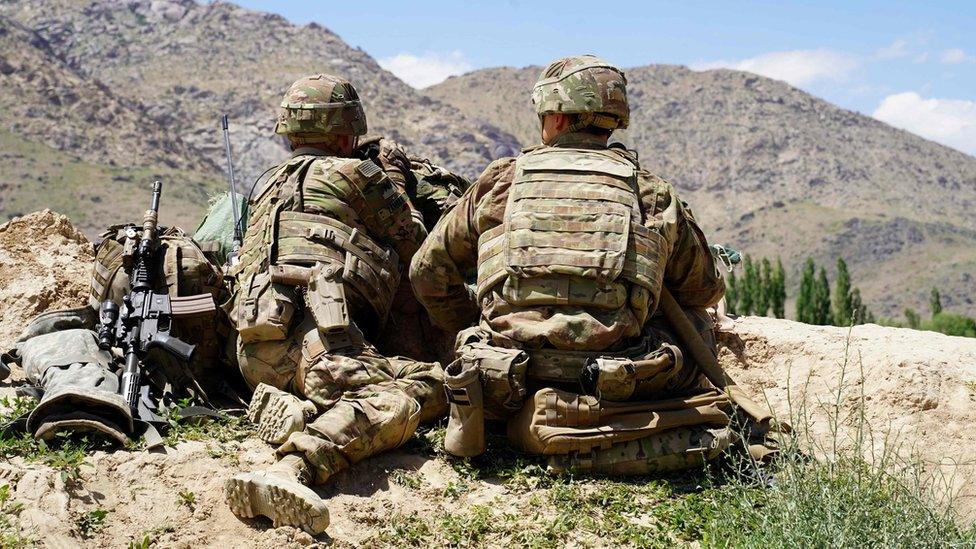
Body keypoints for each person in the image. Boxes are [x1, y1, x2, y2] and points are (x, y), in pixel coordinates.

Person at [409, 55, 738, 474]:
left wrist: (471, 320)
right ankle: (593, 423)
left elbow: (427, 273)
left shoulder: (500, 181)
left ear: (559, 119)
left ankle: (524, 417)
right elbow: (703, 291)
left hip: (502, 377)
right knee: (694, 324)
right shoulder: (650, 191)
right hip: (617, 378)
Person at [223, 74, 446, 534]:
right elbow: (417, 246)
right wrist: (396, 179)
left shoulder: (265, 186)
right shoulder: (358, 174)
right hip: (322, 352)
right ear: (348, 133)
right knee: (430, 384)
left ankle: (302, 408)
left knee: (338, 377)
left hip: (252, 355)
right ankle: (294, 466)